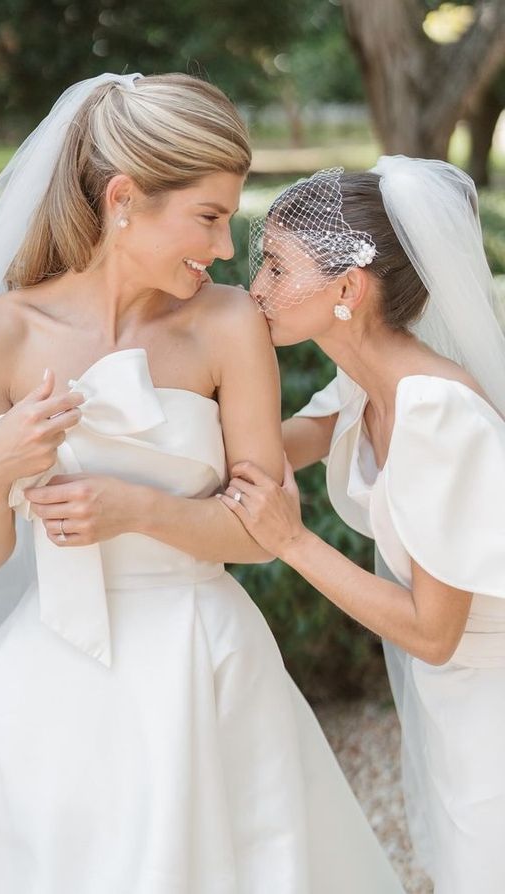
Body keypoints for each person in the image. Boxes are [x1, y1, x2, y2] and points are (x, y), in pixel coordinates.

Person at [0, 75, 402, 894]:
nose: (221, 250)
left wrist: (136, 509)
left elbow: (259, 532)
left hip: (200, 661)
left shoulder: (227, 325)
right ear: (124, 198)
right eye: (208, 218)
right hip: (52, 663)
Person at [217, 158, 505, 894]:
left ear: (348, 289)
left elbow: (434, 631)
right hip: (458, 699)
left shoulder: (436, 414)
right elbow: (282, 440)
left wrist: (292, 542)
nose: (256, 291)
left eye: (277, 268)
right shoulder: (365, 381)